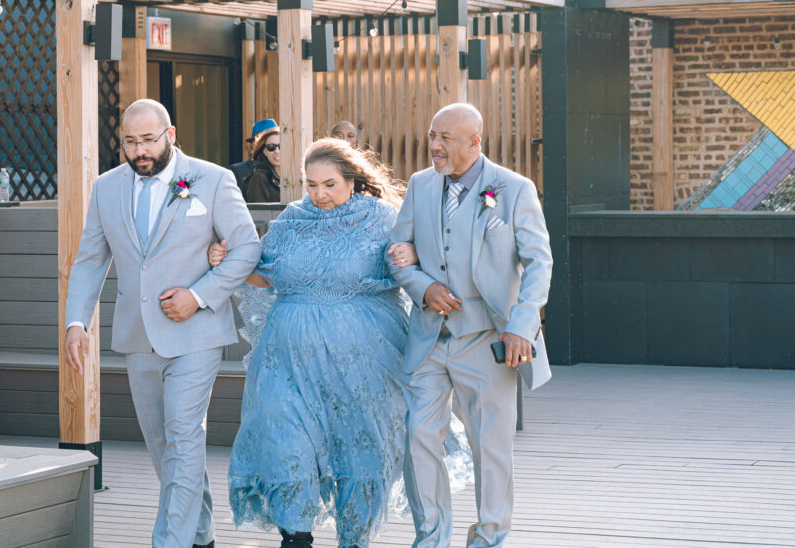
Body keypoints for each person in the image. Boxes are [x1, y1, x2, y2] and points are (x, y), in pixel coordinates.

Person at [63, 99, 260, 548]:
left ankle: (170, 541)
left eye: (149, 139)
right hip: (137, 335)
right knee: (162, 445)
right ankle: (202, 533)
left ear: (170, 134)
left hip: (197, 334)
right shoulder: (106, 188)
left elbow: (247, 248)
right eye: (130, 142)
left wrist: (200, 295)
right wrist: (77, 321)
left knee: (184, 436)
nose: (140, 151)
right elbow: (91, 260)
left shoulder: (213, 180)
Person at [209, 138, 408, 548]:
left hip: (362, 360)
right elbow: (266, 274)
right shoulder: (291, 220)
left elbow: (410, 271)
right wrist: (224, 262)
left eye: (330, 184)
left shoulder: (384, 220)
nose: (319, 194)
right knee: (286, 444)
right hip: (287, 358)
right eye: (311, 184)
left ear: (353, 180)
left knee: (359, 450)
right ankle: (295, 537)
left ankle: (354, 539)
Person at [387, 103, 553, 548]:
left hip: (489, 336)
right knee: (418, 434)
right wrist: (423, 286)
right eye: (432, 135)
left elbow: (539, 262)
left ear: (475, 142)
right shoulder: (421, 185)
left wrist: (522, 324)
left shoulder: (514, 189)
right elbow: (397, 249)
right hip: (428, 336)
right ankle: (431, 536)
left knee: (490, 444)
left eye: (446, 138)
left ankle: (489, 537)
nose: (435, 146)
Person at [230, 118, 278, 188]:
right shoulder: (237, 171)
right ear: (254, 144)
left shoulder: (287, 172)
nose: (276, 150)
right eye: (270, 145)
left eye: (278, 144)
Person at [244, 125, 282, 203]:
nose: (277, 151)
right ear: (264, 151)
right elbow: (259, 214)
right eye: (271, 147)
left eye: (281, 146)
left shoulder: (295, 177)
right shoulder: (258, 178)